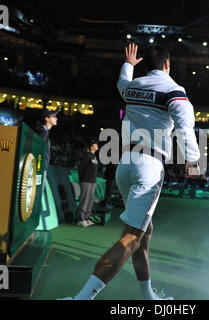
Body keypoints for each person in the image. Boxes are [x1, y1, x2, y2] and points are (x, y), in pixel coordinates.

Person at [58, 43, 200, 300]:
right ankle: (81, 299)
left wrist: (128, 65)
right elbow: (185, 129)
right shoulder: (174, 91)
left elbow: (122, 83)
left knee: (143, 236)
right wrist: (193, 161)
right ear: (168, 64)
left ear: (145, 66)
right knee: (130, 239)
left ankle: (148, 297)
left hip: (124, 164)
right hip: (149, 165)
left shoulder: (133, 87)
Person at [75, 138, 99, 227]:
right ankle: (80, 219)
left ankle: (86, 218)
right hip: (85, 181)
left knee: (90, 200)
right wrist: (82, 179)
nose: (97, 145)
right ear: (91, 146)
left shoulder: (94, 157)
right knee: (84, 200)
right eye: (95, 144)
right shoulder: (86, 156)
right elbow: (81, 169)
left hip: (93, 181)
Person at [36, 109, 59, 194]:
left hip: (41, 167)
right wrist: (39, 168)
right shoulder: (43, 132)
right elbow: (38, 151)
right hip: (40, 168)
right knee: (38, 193)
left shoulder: (45, 131)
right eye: (54, 116)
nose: (56, 118)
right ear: (47, 118)